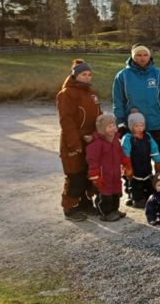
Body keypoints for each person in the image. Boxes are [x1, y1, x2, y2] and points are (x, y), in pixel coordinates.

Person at [113, 44, 160, 166]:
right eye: (138, 55)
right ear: (132, 57)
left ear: (150, 56)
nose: (142, 58)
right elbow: (118, 102)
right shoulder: (122, 76)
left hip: (156, 124)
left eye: (145, 55)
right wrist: (120, 124)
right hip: (134, 128)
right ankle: (136, 184)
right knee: (136, 162)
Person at [57, 59, 101, 221]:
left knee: (89, 174)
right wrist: (75, 143)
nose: (88, 77)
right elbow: (66, 121)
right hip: (73, 142)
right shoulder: (66, 94)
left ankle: (85, 203)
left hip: (91, 141)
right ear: (75, 75)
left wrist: (102, 135)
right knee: (75, 175)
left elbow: (99, 115)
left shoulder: (91, 92)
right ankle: (70, 207)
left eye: (89, 74)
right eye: (84, 74)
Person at [86, 114, 128, 221]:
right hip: (103, 175)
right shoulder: (96, 143)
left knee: (115, 192)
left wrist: (126, 162)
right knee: (105, 194)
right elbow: (92, 160)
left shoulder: (115, 140)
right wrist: (95, 176)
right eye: (109, 126)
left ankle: (114, 209)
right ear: (102, 129)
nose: (113, 128)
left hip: (115, 174)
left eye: (114, 125)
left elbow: (121, 153)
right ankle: (105, 213)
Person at [121, 111, 160, 208]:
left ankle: (146, 196)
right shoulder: (128, 138)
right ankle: (133, 197)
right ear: (131, 126)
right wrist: (128, 168)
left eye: (142, 125)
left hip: (146, 169)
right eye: (136, 126)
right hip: (133, 170)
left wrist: (157, 162)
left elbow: (154, 149)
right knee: (134, 186)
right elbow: (125, 155)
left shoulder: (147, 136)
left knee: (150, 190)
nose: (140, 128)